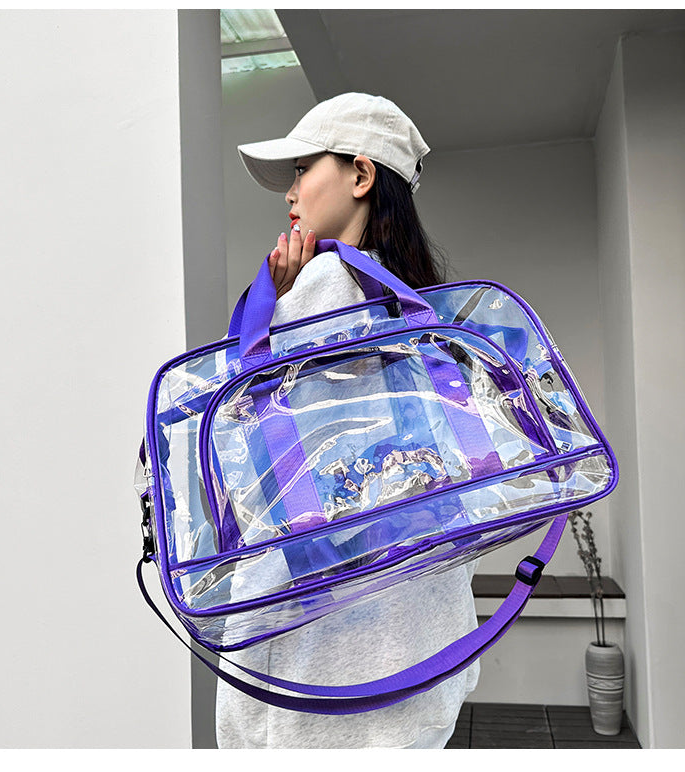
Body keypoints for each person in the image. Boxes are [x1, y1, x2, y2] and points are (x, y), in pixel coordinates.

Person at [215, 92, 480, 749]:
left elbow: (243, 435)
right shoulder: (409, 300)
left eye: (303, 168)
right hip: (425, 637)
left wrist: (279, 301)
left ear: (361, 176)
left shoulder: (325, 284)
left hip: (329, 660)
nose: (290, 193)